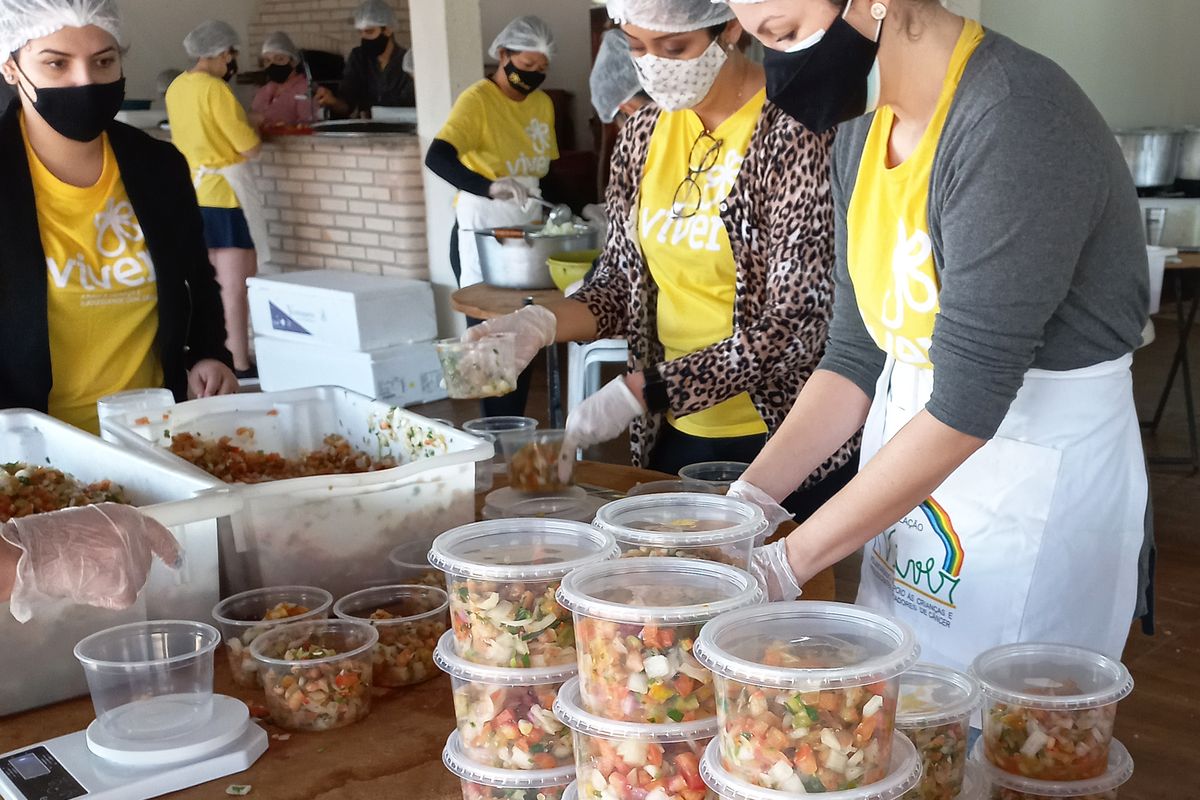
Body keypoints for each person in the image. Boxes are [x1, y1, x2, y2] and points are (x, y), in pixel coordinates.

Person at [720, 0, 1149, 667]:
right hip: (915, 469)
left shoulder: (1014, 120)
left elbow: (970, 402)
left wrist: (787, 563)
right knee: (905, 705)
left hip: (1029, 474)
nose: (779, 71)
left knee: (1005, 732)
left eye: (786, 35)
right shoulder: (864, 136)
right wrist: (747, 506)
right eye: (760, 45)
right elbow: (854, 356)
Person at [467, 0, 857, 520]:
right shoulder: (642, 134)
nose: (655, 64)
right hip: (674, 432)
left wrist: (642, 390)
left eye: (674, 47)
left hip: (782, 436)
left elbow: (796, 324)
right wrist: (538, 324)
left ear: (732, 26)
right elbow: (620, 284)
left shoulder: (798, 129)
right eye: (637, 48)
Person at [0, 0, 237, 436]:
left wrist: (209, 353)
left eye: (104, 61)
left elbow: (196, 277)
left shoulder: (157, 165)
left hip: (155, 435)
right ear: (11, 68)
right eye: (57, 64)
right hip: (31, 451)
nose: (85, 81)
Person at [424, 15, 560, 418]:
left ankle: (517, 426)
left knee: (524, 336)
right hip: (481, 230)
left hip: (528, 233)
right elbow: (438, 156)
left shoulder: (542, 103)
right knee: (490, 342)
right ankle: (498, 431)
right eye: (526, 66)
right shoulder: (478, 100)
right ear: (503, 55)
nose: (533, 76)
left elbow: (545, 173)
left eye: (541, 69)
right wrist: (488, 186)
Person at [166, 19, 265, 379]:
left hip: (192, 194)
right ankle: (239, 361)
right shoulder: (216, 89)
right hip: (225, 197)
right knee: (235, 288)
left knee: (203, 286)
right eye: (231, 56)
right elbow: (249, 147)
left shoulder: (177, 87)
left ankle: (208, 355)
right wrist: (252, 124)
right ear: (223, 53)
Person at [315, 0, 415, 117]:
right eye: (360, 32)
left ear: (387, 30)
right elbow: (347, 105)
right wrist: (332, 101)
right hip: (366, 131)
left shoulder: (407, 63)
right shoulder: (359, 58)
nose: (364, 38)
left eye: (369, 31)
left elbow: (408, 105)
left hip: (401, 131)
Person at [252, 31, 314, 128]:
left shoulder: (305, 89)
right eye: (267, 61)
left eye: (279, 59)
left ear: (293, 62)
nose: (272, 65)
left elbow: (308, 125)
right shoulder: (264, 91)